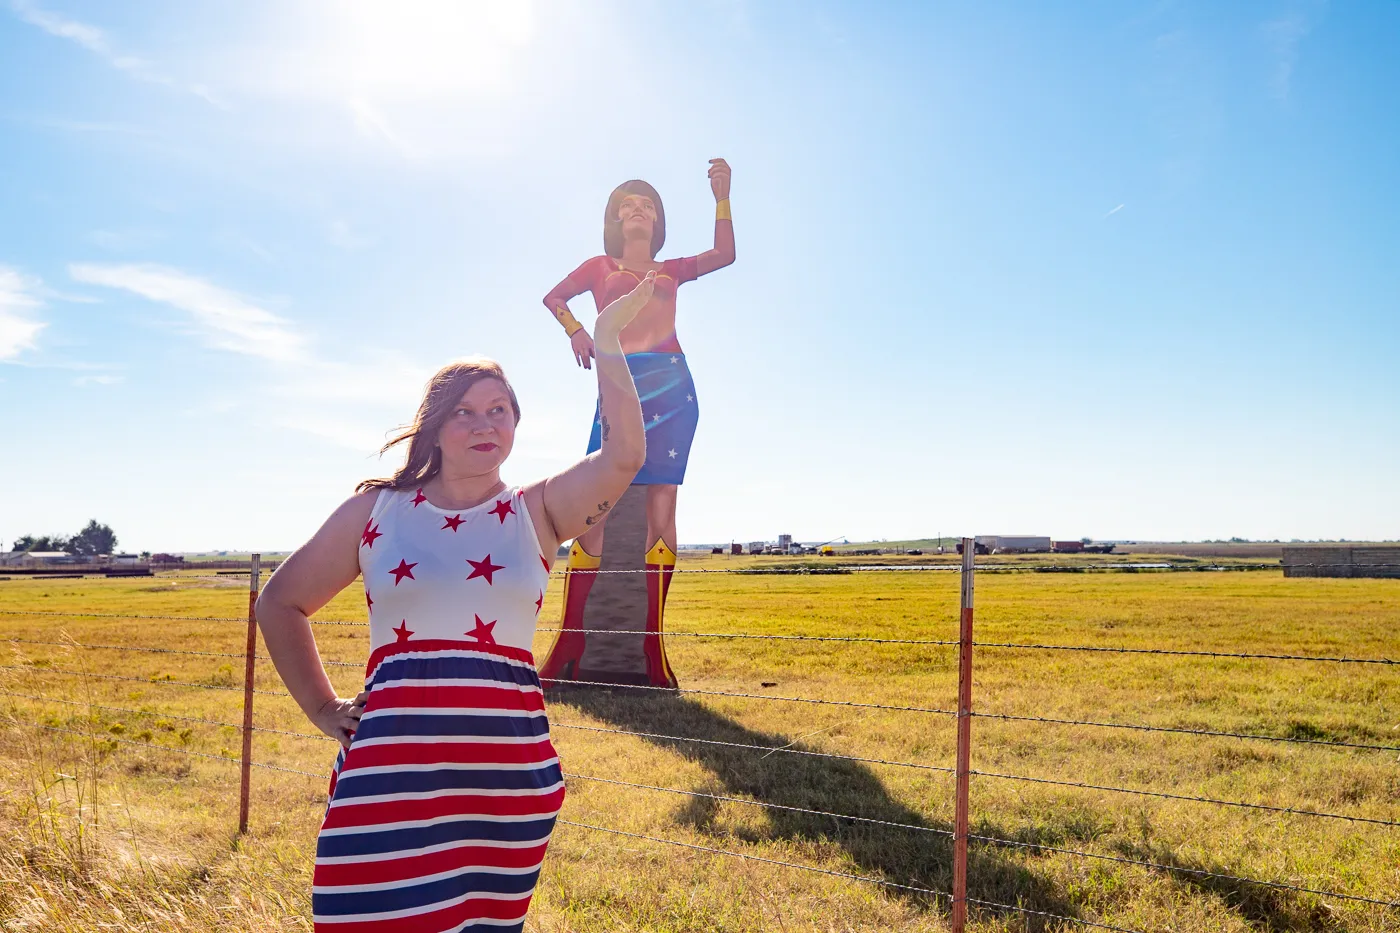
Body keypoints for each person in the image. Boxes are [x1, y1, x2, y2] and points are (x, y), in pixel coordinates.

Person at [255, 273, 654, 932]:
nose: (483, 422)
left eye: (499, 409)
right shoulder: (374, 512)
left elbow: (625, 455)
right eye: (464, 411)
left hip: (503, 788)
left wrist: (608, 341)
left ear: (516, 426)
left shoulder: (539, 511)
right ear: (436, 428)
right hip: (385, 783)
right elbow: (280, 604)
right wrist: (325, 709)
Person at [538, 159, 734, 686]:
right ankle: (568, 644)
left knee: (661, 504)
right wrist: (577, 331)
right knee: (593, 509)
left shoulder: (670, 269)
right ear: (615, 220)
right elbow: (552, 297)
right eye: (628, 205)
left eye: (646, 205)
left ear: (657, 219)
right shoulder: (598, 267)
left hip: (672, 383)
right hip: (619, 383)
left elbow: (725, 255)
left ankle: (653, 650)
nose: (637, 211)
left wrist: (722, 194)